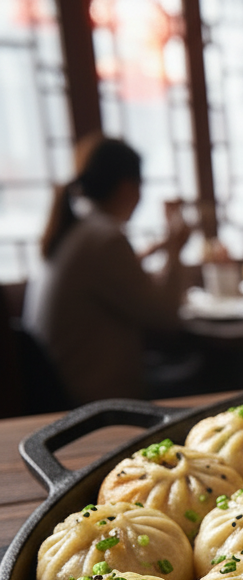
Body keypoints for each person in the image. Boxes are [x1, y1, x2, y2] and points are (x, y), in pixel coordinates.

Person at [22, 134, 191, 405]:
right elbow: (166, 317)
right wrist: (174, 247)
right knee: (209, 375)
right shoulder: (105, 238)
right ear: (127, 187)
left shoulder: (78, 230)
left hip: (61, 387)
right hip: (95, 398)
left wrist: (158, 250)